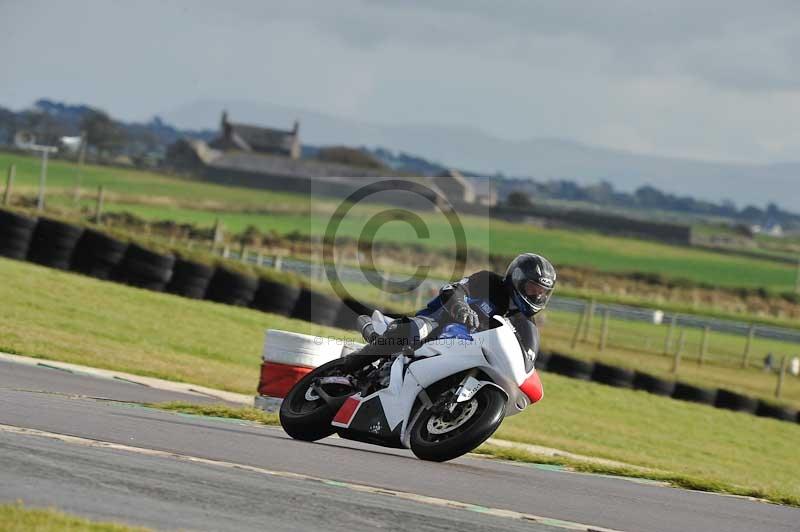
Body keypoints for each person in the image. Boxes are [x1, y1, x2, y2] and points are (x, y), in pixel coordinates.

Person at [356, 253, 557, 358]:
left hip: (472, 352)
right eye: (533, 288)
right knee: (416, 329)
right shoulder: (489, 282)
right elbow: (453, 290)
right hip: (439, 326)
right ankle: (349, 365)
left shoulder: (526, 324)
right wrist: (460, 307)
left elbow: (527, 359)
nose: (537, 295)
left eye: (542, 292)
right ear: (518, 278)